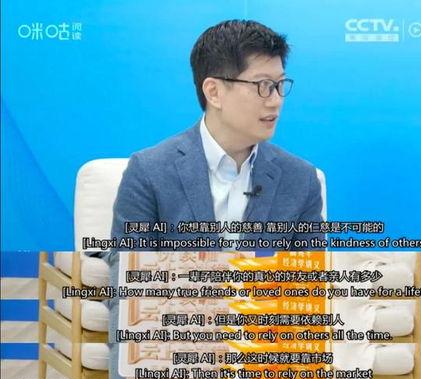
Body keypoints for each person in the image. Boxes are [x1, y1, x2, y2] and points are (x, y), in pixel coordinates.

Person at [111, 19, 324, 251]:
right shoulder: (149, 172)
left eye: (280, 84)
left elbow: (309, 272)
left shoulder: (301, 179)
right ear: (214, 92)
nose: (276, 101)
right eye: (263, 85)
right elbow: (129, 269)